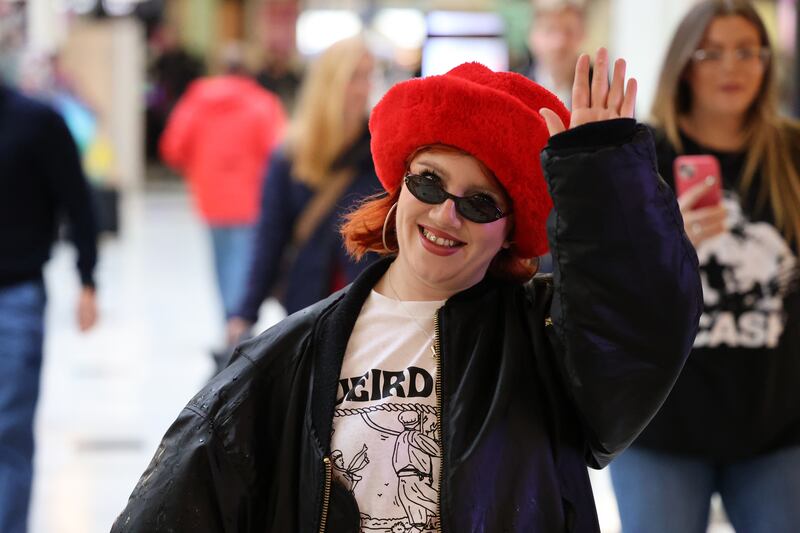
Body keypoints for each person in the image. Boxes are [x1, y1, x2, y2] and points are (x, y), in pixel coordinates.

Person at [112, 48, 701, 532]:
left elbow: (639, 332)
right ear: (398, 189)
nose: (447, 215)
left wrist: (605, 182)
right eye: (429, 182)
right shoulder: (287, 359)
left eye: (479, 202)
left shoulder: (548, 345)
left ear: (507, 234)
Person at [609, 2, 800, 532]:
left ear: (767, 62)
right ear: (684, 64)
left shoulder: (791, 152)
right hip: (659, 427)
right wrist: (670, 244)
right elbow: (601, 285)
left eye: (746, 51)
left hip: (776, 426)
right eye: (710, 52)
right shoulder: (640, 155)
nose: (731, 67)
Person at [225, 37, 381, 346]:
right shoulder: (290, 155)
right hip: (309, 304)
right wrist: (244, 313)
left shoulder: (380, 150)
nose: (364, 88)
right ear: (329, 84)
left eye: (368, 76)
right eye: (354, 77)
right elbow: (270, 237)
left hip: (370, 305)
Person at [0, 82, 98, 533]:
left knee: (8, 431)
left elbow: (78, 203)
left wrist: (87, 279)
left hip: (15, 297)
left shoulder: (37, 122)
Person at [159, 42, 286, 364]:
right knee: (244, 269)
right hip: (252, 202)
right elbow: (279, 154)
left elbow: (173, 147)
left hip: (211, 200)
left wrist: (202, 165)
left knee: (223, 269)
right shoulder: (263, 105)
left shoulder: (196, 101)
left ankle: (232, 330)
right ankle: (238, 333)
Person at [520, 0, 586, 108]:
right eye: (549, 30)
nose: (559, 42)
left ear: (582, 35)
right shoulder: (515, 90)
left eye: (569, 31)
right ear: (532, 37)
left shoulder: (602, 91)